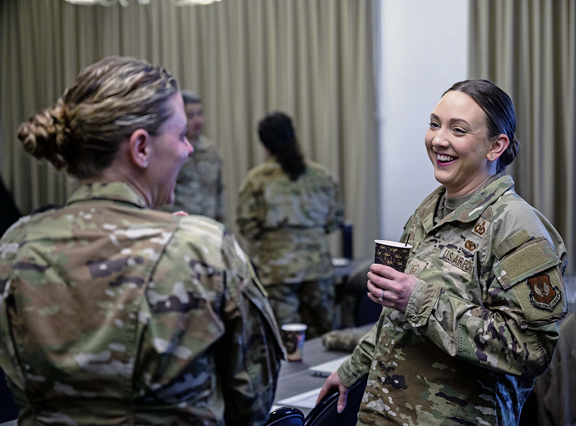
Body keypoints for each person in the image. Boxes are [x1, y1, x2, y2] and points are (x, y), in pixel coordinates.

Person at [0, 56, 284, 426]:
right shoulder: (203, 250)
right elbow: (254, 402)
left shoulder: (14, 246)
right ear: (141, 148)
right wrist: (189, 248)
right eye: (181, 135)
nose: (189, 149)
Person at [318, 79, 568, 425]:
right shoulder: (428, 211)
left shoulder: (516, 227)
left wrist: (420, 300)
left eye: (458, 130)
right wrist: (350, 371)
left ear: (496, 146)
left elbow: (532, 349)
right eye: (434, 124)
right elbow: (396, 319)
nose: (438, 139)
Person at [236, 112, 345, 339]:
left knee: (287, 341)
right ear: (293, 136)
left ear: (265, 145)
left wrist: (274, 239)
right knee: (327, 337)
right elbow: (335, 219)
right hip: (317, 266)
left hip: (277, 269)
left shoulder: (256, 179)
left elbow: (247, 225)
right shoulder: (322, 176)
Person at [162, 90, 225, 223]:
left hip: (208, 224)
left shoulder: (211, 151)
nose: (197, 120)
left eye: (199, 114)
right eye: (190, 116)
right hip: (180, 225)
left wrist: (222, 223)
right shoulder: (169, 152)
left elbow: (219, 190)